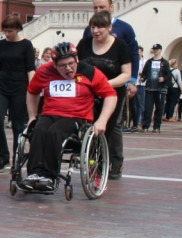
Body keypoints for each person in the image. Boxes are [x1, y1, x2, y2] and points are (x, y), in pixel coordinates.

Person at [21, 42, 117, 191]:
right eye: (62, 65)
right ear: (54, 65)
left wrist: (102, 120)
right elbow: (32, 91)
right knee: (39, 129)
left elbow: (110, 95)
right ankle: (34, 174)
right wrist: (32, 116)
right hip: (50, 113)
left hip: (77, 117)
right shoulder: (44, 71)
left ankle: (49, 176)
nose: (68, 68)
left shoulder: (90, 72)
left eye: (71, 63)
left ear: (77, 60)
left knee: (56, 131)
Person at [76, 11, 132, 178]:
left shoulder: (120, 45)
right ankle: (92, 158)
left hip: (112, 93)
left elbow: (126, 74)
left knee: (109, 127)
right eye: (93, 27)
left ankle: (113, 163)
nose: (96, 31)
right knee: (88, 126)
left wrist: (104, 84)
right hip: (88, 93)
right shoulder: (84, 44)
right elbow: (75, 66)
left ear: (109, 28)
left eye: (100, 27)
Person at [0, 16, 36, 172]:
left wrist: (32, 90)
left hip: (20, 88)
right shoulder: (1, 44)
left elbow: (30, 69)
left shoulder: (26, 45)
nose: (7, 34)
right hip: (2, 87)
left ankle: (17, 157)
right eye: (5, 31)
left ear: (18, 29)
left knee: (18, 126)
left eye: (10, 31)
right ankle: (3, 157)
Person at [138, 44, 171, 133]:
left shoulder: (164, 62)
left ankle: (156, 126)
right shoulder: (149, 62)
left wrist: (163, 78)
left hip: (160, 89)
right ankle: (145, 126)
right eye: (154, 49)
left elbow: (168, 75)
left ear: (160, 50)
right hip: (149, 88)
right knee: (148, 108)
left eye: (157, 49)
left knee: (159, 108)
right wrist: (143, 78)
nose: (155, 51)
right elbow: (145, 73)